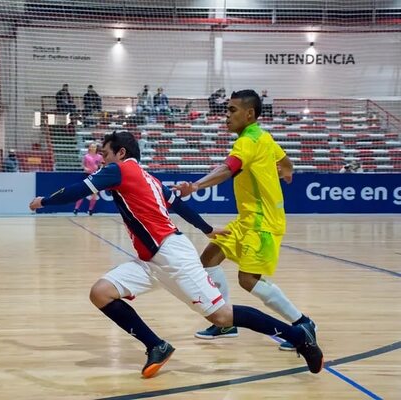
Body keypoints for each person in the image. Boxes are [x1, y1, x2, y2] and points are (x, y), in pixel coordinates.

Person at [29, 130, 323, 378]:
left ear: (120, 153)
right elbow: (177, 203)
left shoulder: (118, 169)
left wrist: (44, 201)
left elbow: (78, 190)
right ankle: (156, 345)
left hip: (171, 255)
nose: (101, 159)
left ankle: (299, 337)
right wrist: (207, 229)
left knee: (222, 317)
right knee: (101, 292)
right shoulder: (149, 178)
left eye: (104, 153)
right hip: (151, 259)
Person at [173, 90, 315, 351]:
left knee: (248, 279)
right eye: (226, 110)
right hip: (248, 219)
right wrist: (286, 172)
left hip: (262, 222)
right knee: (210, 258)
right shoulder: (263, 136)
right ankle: (226, 322)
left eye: (232, 110)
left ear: (249, 114)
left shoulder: (248, 141)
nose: (226, 116)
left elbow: (228, 169)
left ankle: (303, 324)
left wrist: (194, 187)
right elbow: (286, 162)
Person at [73, 143, 103, 215]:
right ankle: (76, 208)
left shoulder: (99, 157)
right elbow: (83, 164)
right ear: (89, 148)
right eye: (91, 147)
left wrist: (99, 168)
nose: (93, 148)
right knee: (82, 193)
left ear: (96, 148)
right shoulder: (86, 156)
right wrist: (85, 168)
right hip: (87, 175)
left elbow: (101, 164)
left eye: (94, 147)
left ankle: (90, 210)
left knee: (94, 193)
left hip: (95, 176)